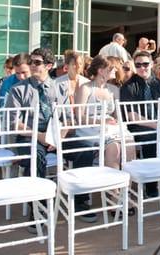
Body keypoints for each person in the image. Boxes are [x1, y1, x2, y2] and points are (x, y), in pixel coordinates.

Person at [6, 48, 97, 225]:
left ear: (49, 65)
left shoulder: (59, 88)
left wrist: (58, 135)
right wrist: (40, 136)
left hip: (55, 134)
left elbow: (67, 118)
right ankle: (37, 208)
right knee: (36, 158)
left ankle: (79, 201)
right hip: (29, 136)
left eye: (37, 62)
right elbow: (13, 123)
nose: (32, 65)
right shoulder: (18, 90)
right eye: (31, 61)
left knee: (85, 149)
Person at [120, 51, 160, 196]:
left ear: (152, 64)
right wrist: (157, 126)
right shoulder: (128, 86)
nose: (142, 68)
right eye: (138, 65)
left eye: (145, 64)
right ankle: (151, 185)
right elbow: (132, 116)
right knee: (151, 138)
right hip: (139, 128)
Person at [75, 55, 134, 169]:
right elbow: (80, 118)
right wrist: (102, 120)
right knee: (113, 146)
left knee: (129, 142)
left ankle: (128, 184)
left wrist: (115, 120)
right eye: (111, 68)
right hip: (90, 127)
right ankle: (112, 186)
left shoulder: (114, 89)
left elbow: (117, 116)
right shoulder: (86, 88)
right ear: (101, 71)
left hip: (109, 127)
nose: (116, 70)